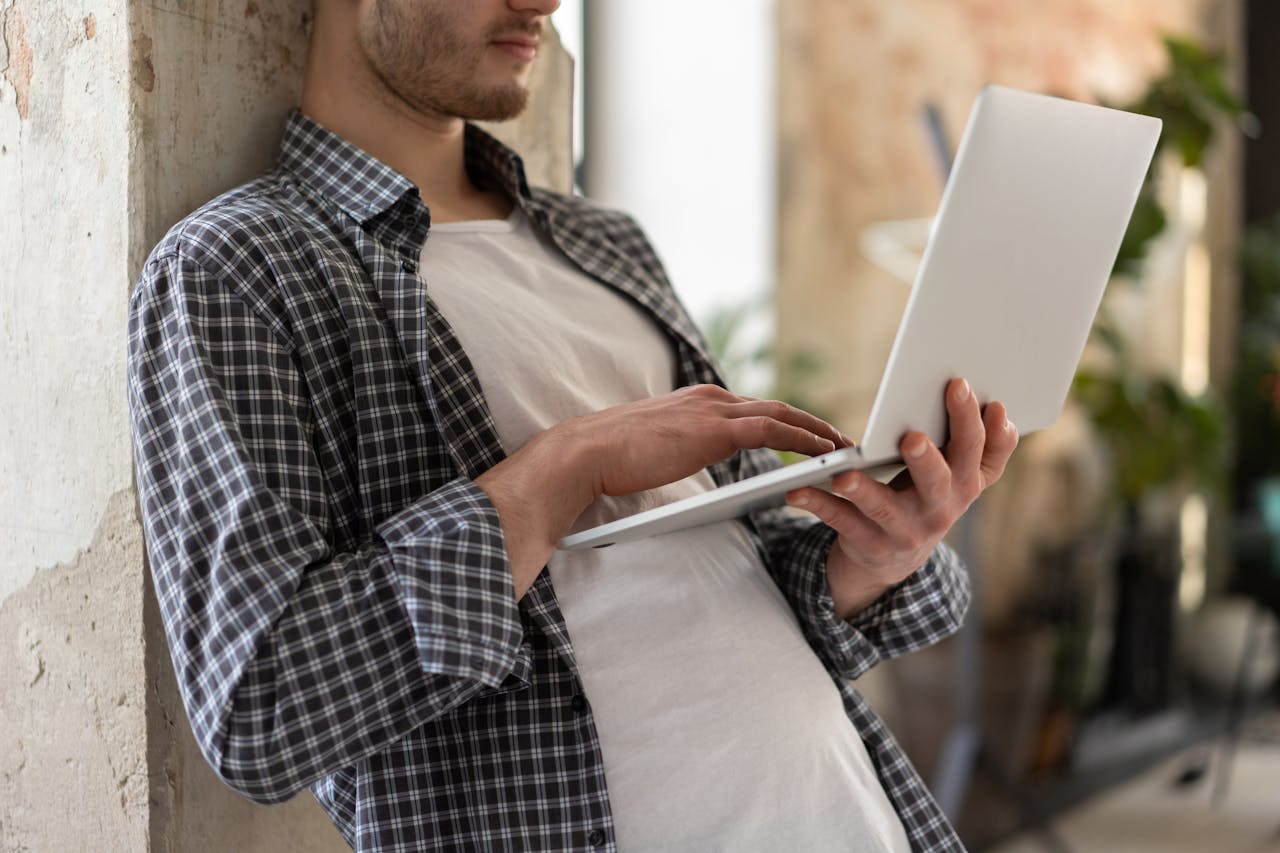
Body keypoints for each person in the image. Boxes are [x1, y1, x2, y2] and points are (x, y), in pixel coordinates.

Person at [126, 1, 1018, 850]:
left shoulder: (606, 243)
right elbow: (263, 708)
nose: (544, 5)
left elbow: (734, 561)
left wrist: (866, 555)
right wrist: (565, 466)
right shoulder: (240, 269)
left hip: (855, 816)